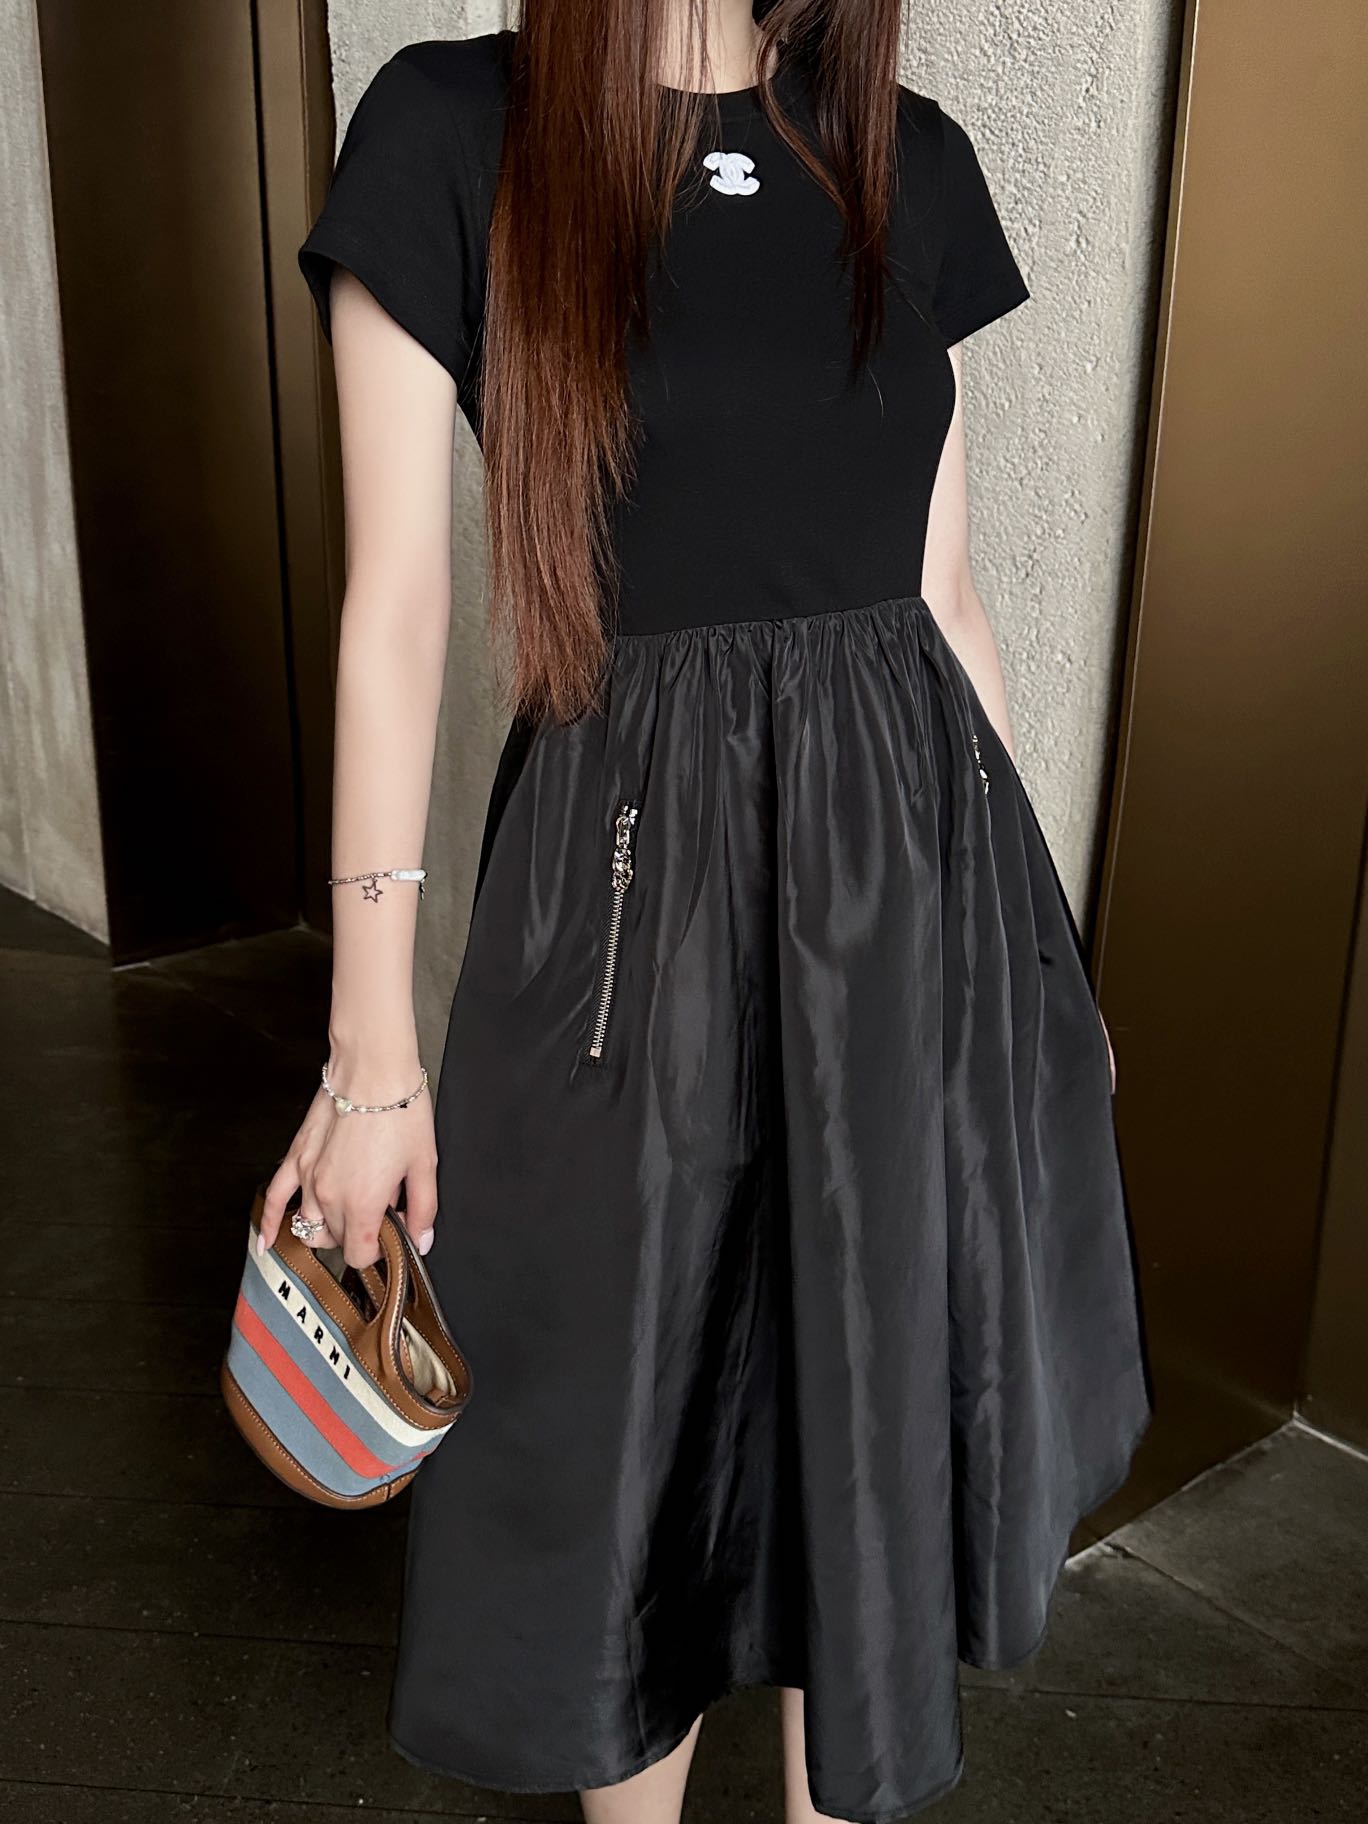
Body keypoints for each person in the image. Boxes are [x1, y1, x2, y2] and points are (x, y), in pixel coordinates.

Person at [260, 2, 1151, 1818]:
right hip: (623, 916)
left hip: (905, 909)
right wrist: (370, 1054)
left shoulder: (903, 151)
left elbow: (948, 601)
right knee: (631, 1435)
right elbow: (394, 616)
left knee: (867, 1411)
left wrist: (1038, 956)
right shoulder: (451, 130)